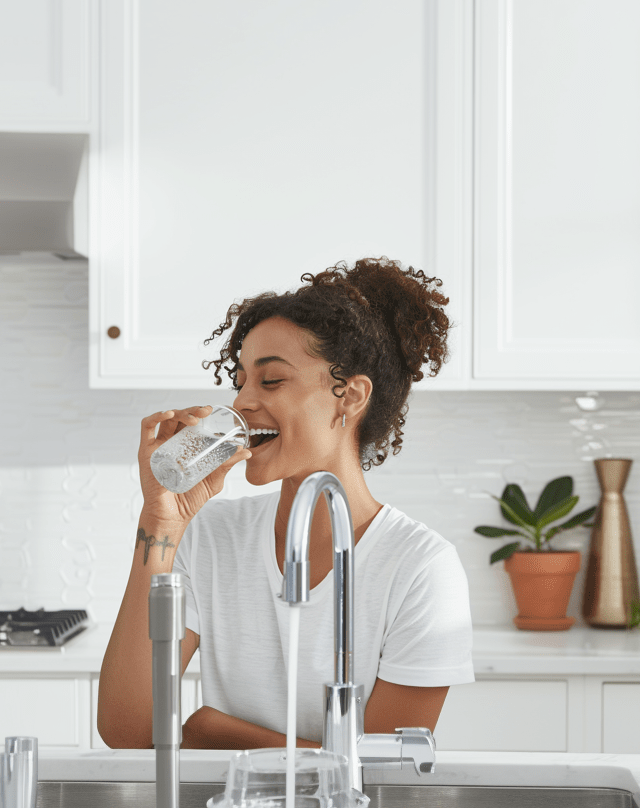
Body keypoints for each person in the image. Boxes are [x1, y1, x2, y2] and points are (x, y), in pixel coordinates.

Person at [98, 257, 474, 749]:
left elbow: (383, 773)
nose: (242, 403)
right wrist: (161, 524)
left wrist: (210, 730)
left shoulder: (421, 567)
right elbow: (128, 729)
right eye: (240, 382)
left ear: (350, 396)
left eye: (270, 381)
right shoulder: (210, 536)